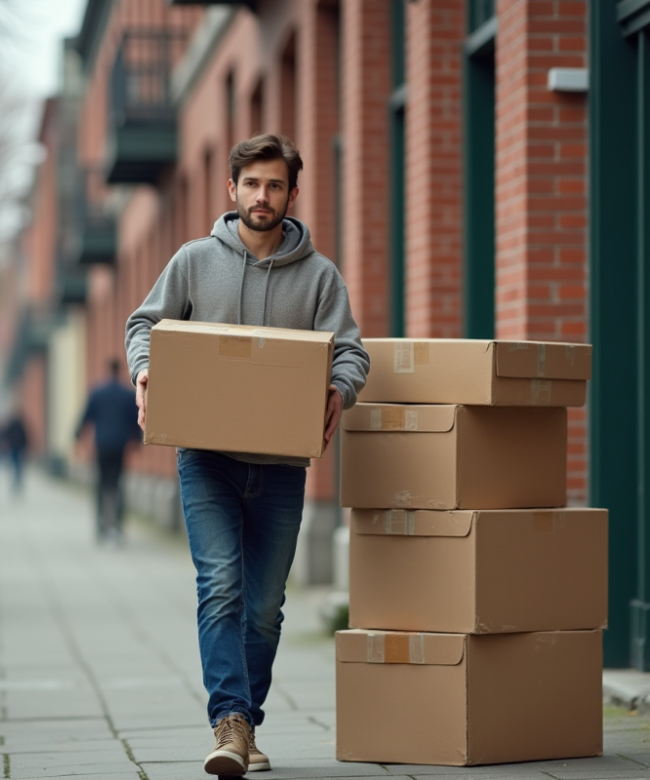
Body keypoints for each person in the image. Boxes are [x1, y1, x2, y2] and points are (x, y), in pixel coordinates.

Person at [125, 134, 369, 777]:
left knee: (264, 605)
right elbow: (143, 325)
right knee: (222, 586)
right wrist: (145, 370)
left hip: (284, 465)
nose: (264, 197)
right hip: (205, 456)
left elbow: (350, 351)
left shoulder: (320, 277)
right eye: (253, 184)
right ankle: (229, 721)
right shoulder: (193, 260)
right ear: (232, 190)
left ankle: (244, 724)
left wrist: (340, 388)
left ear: (292, 194)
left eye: (276, 185)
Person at [75, 358, 141, 544]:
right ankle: (118, 526)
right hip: (120, 445)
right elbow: (134, 420)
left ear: (106, 370)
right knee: (118, 484)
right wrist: (136, 441)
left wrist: (77, 435)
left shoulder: (97, 392)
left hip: (102, 445)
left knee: (101, 485)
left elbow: (86, 416)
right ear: (119, 371)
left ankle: (101, 526)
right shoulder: (127, 394)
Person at [0, 411, 28, 494]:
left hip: (13, 447)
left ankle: (15, 479)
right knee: (18, 464)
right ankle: (17, 479)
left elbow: (6, 435)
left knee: (15, 463)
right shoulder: (20, 426)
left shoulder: (12, 425)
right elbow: (25, 437)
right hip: (18, 447)